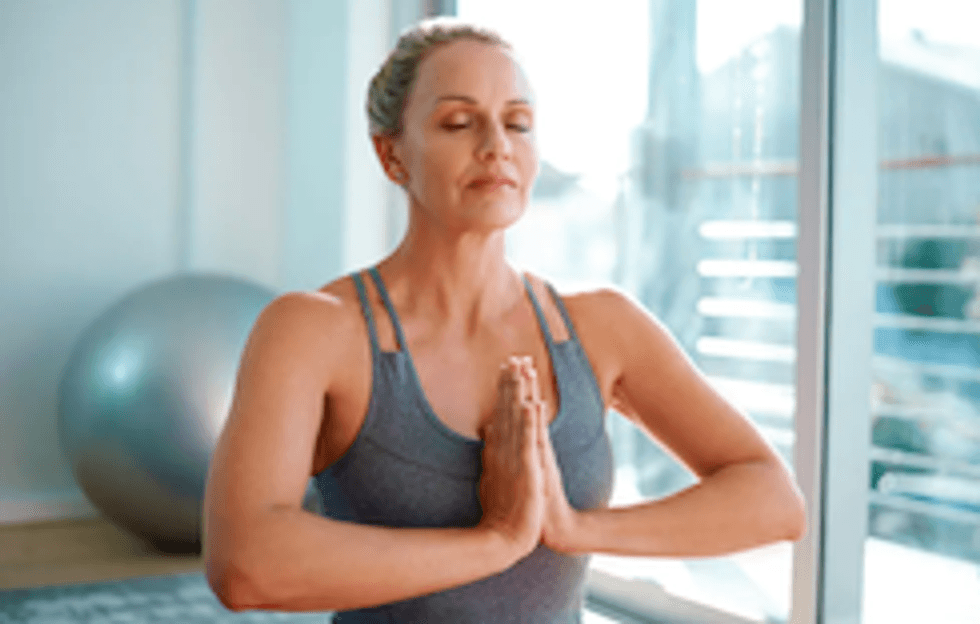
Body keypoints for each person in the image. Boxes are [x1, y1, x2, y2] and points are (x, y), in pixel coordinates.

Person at [202, 18, 807, 623]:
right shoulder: (314, 331)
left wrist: (572, 527)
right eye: (458, 123)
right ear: (392, 154)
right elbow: (246, 565)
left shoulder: (601, 326)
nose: (496, 145)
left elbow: (774, 499)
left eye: (517, 123)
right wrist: (494, 541)